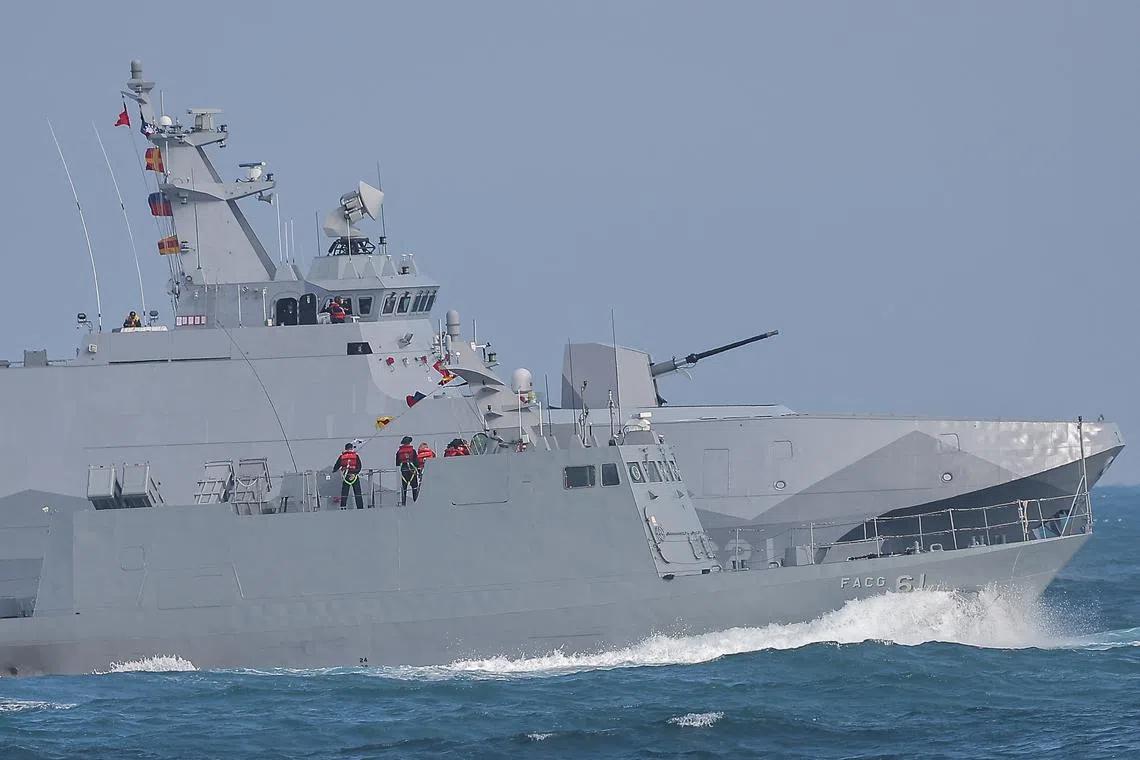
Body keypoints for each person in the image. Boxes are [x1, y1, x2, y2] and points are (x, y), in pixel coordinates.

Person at [332, 442, 364, 510]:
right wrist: (355, 473)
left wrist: (334, 471)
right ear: (352, 448)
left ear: (345, 449)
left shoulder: (342, 456)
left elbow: (337, 465)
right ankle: (360, 507)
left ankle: (343, 507)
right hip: (354, 476)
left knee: (344, 492)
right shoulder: (356, 456)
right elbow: (359, 466)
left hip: (346, 475)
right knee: (357, 492)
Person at [396, 435, 420, 505]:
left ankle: (403, 503)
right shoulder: (413, 451)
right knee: (414, 487)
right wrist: (419, 471)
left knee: (404, 488)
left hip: (403, 470)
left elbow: (397, 463)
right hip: (412, 471)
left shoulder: (399, 452)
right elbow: (416, 462)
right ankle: (416, 502)